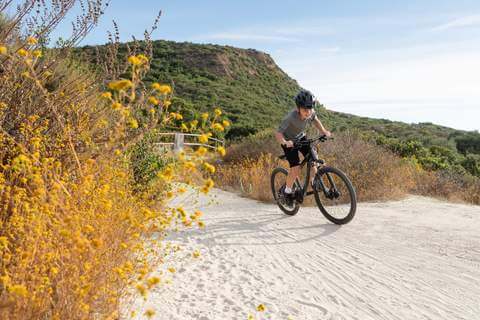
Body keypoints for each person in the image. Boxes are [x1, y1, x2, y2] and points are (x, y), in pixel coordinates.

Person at [275, 89, 331, 206]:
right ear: (298, 108)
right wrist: (285, 142)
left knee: (313, 157)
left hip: (301, 137)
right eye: (305, 109)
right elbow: (278, 133)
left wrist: (324, 131)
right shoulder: (290, 117)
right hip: (289, 141)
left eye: (310, 108)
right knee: (295, 168)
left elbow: (315, 120)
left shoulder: (311, 112)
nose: (308, 112)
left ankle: (314, 182)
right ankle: (287, 191)